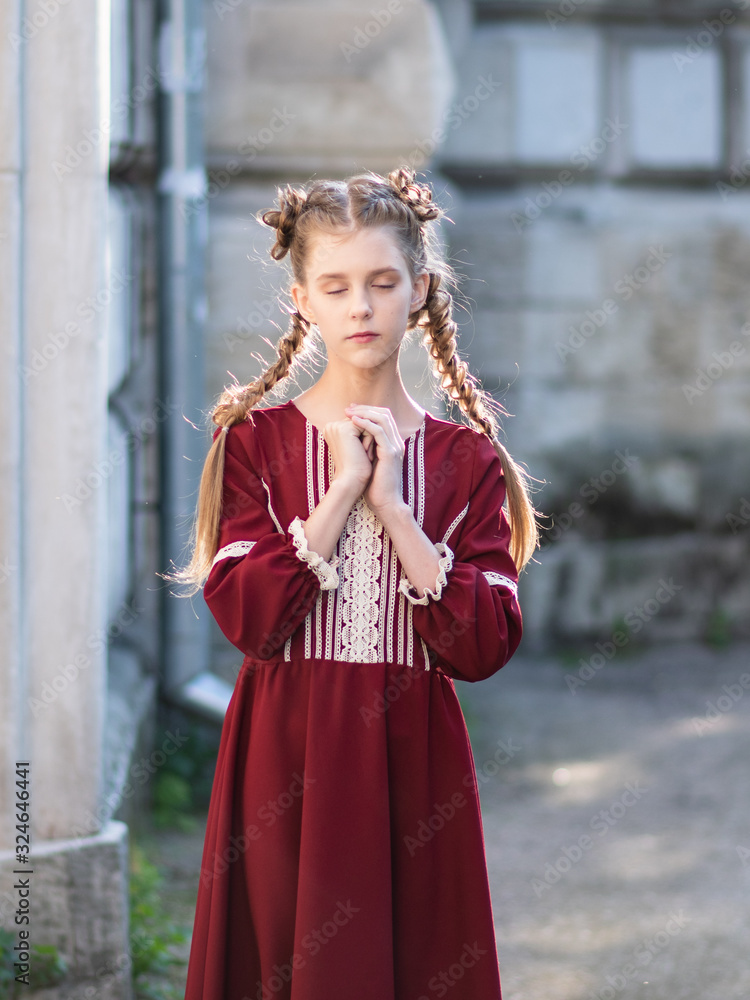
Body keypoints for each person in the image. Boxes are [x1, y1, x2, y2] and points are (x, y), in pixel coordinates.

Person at [174, 166, 538, 1000]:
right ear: (302, 300)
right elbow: (251, 622)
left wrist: (396, 509)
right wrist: (340, 494)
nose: (362, 307)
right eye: (336, 287)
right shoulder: (256, 446)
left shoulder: (466, 460)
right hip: (284, 747)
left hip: (412, 754)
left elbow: (481, 645)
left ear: (419, 292)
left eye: (382, 282)